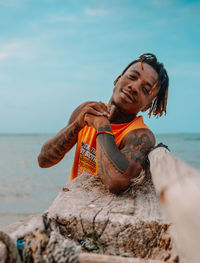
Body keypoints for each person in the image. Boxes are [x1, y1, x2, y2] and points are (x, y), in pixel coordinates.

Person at [38, 53, 169, 194]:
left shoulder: (140, 135)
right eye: (132, 77)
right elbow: (44, 161)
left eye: (144, 89)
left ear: (147, 106)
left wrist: (102, 125)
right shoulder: (87, 111)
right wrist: (77, 125)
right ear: (118, 79)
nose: (134, 87)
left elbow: (116, 181)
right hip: (71, 204)